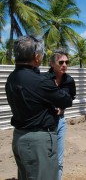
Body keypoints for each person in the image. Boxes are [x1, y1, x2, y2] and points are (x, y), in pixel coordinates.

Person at [5, 36, 73, 180]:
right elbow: (66, 100)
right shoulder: (40, 81)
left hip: (20, 137)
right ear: (36, 57)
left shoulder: (11, 78)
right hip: (38, 143)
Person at [43, 49, 76, 180]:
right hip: (45, 123)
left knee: (59, 160)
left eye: (66, 62)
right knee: (46, 158)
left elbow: (70, 97)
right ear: (52, 63)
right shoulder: (44, 79)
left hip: (60, 121)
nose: (64, 65)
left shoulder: (69, 80)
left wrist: (62, 107)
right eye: (61, 62)